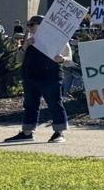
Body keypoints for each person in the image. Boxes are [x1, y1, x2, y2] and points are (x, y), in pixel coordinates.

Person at [4, 15, 72, 143]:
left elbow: (69, 59)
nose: (29, 28)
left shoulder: (58, 40)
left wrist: (62, 59)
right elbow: (18, 60)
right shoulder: (29, 39)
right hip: (30, 77)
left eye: (32, 25)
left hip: (50, 77)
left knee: (54, 104)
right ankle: (27, 132)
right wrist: (24, 47)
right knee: (30, 105)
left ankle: (59, 132)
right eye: (28, 25)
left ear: (43, 26)